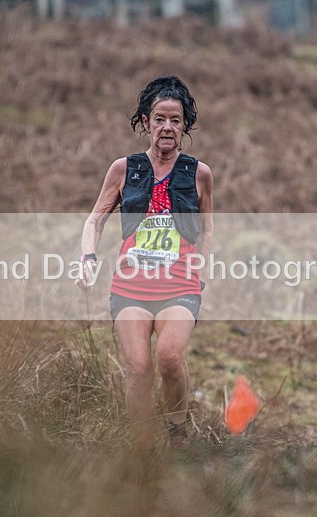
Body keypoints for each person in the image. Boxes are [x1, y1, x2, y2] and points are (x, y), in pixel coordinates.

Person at [76, 75, 214, 450]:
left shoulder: (199, 174)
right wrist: (88, 258)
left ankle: (177, 432)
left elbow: (207, 231)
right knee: (138, 369)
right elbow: (95, 219)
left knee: (169, 357)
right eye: (159, 119)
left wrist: (203, 270)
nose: (167, 127)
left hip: (179, 287)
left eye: (175, 120)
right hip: (130, 288)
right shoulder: (123, 169)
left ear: (185, 126)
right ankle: (141, 445)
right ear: (145, 122)